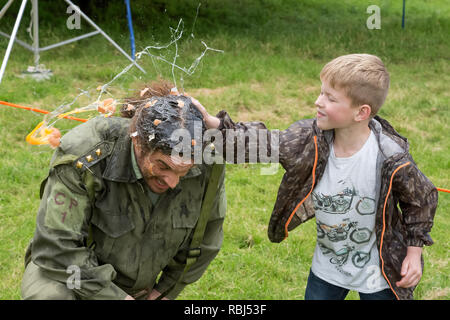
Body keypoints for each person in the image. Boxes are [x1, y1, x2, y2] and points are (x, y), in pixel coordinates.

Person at [193, 54, 438, 300]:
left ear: (361, 112)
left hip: (380, 270)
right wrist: (217, 125)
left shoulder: (390, 157)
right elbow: (265, 143)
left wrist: (414, 253)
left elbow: (421, 200)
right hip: (328, 267)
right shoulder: (309, 140)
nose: (318, 101)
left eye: (330, 98)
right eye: (321, 92)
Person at [21, 81, 226, 300]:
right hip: (63, 275)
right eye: (163, 166)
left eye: (183, 170)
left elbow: (205, 239)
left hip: (134, 288)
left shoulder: (207, 161)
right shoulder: (85, 156)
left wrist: (163, 292)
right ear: (139, 144)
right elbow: (56, 247)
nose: (173, 181)